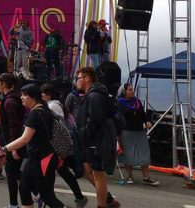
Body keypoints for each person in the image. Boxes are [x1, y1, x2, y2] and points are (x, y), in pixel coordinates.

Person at [2, 84, 64, 208]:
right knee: (24, 188)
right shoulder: (43, 110)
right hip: (38, 158)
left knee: (46, 195)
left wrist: (4, 149)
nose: (21, 97)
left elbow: (25, 139)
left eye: (25, 95)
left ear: (34, 97)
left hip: (43, 159)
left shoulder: (36, 114)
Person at [75, 67, 119, 208]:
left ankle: (103, 205)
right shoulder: (92, 94)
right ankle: (109, 200)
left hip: (96, 141)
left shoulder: (95, 95)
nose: (77, 82)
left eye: (79, 78)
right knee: (87, 170)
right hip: (91, 139)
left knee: (98, 174)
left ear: (87, 78)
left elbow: (95, 120)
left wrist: (85, 134)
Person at [41, 83, 88, 208]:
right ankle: (78, 197)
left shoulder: (53, 106)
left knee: (60, 171)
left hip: (60, 145)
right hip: (63, 145)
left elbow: (58, 127)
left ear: (49, 95)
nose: (41, 96)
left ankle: (51, 200)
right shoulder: (54, 104)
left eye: (43, 93)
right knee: (65, 171)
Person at [116, 83, 159, 186]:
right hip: (127, 132)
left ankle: (146, 177)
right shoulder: (119, 103)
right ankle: (130, 176)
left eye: (132, 89)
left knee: (144, 153)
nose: (132, 91)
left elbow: (143, 115)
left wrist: (147, 121)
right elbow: (118, 118)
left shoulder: (137, 102)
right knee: (128, 154)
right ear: (124, 92)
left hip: (139, 131)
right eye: (130, 90)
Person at [0, 73, 26, 208]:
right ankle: (37, 191)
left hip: (14, 143)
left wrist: (13, 147)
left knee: (11, 172)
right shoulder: (10, 99)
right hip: (13, 143)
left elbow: (15, 126)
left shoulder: (10, 101)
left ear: (4, 84)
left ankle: (14, 204)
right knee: (13, 172)